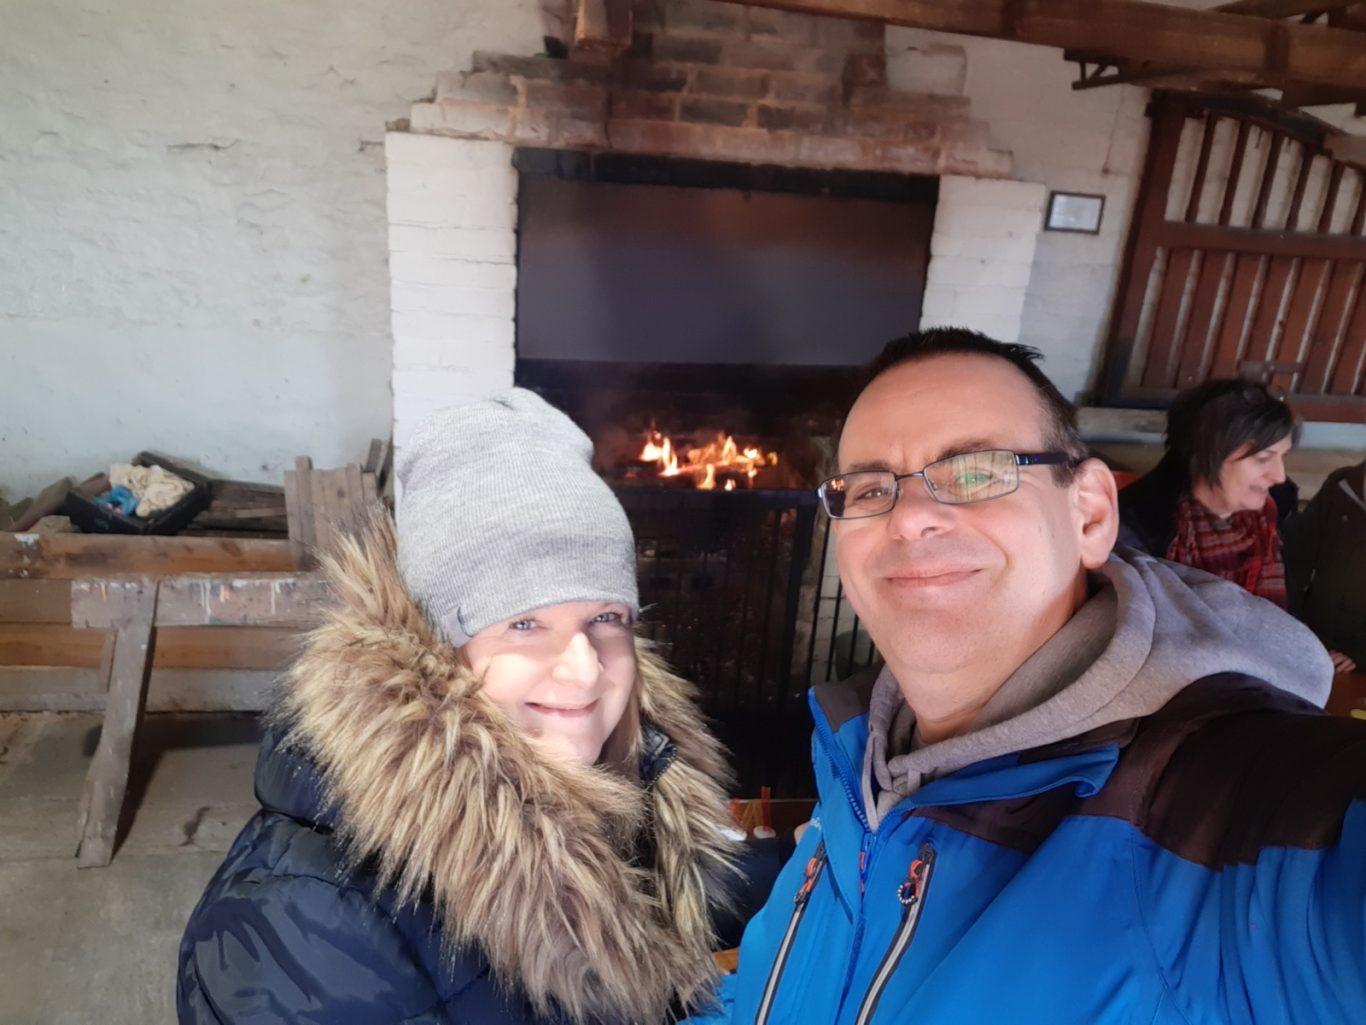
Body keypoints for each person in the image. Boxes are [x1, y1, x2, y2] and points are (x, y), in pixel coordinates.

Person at [688, 328, 1365, 1024]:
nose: (912, 516)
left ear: (1091, 514)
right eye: (869, 487)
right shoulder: (857, 763)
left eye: (978, 470)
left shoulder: (1229, 813)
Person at [178, 389, 742, 1025]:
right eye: (525, 624)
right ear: (437, 651)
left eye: (605, 617)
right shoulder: (304, 930)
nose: (584, 669)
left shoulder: (627, 778)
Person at [1117, 379, 1298, 608]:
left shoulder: (1278, 508)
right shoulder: (1136, 531)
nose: (1279, 476)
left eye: (1283, 456)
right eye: (1262, 458)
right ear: (1206, 456)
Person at [1285, 456, 1366, 673]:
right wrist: (1298, 630)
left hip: (1356, 661)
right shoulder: (1341, 487)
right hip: (1313, 639)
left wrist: (1358, 654)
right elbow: (1294, 561)